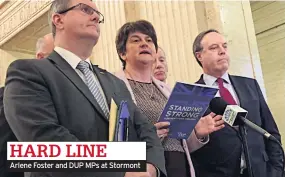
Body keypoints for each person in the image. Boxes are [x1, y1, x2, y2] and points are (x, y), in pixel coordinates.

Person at [4, 1, 166, 177]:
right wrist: (120, 173)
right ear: (58, 20)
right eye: (85, 9)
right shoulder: (28, 72)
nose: (96, 17)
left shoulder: (115, 82)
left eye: (97, 14)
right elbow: (44, 140)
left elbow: (146, 130)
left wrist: (150, 169)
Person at [114, 20, 225, 177]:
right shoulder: (113, 85)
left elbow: (179, 142)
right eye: (136, 40)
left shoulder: (168, 90)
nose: (144, 44)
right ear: (122, 53)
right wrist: (148, 138)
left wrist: (197, 133)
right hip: (145, 168)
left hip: (179, 167)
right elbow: (110, 138)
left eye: (149, 40)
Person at [191, 29, 283, 177]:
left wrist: (277, 171)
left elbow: (271, 131)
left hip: (261, 172)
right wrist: (198, 134)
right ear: (199, 55)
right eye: (214, 47)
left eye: (224, 46)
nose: (222, 51)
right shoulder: (191, 94)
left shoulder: (250, 85)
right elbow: (184, 145)